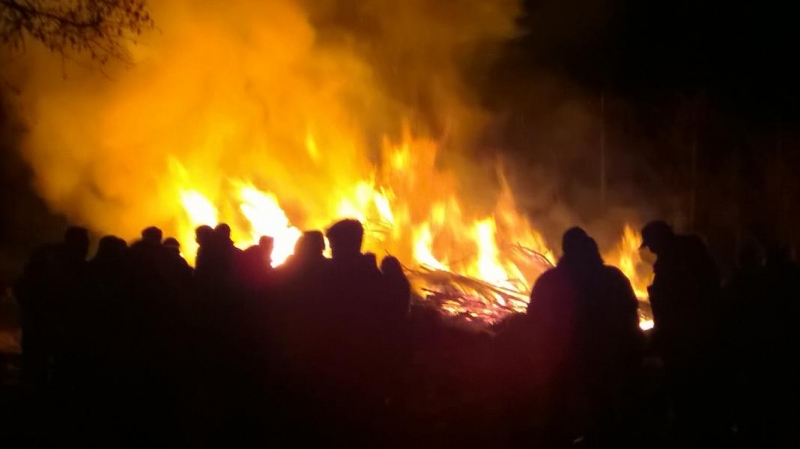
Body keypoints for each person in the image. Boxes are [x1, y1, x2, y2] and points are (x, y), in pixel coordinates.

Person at [525, 227, 641, 445]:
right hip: (602, 360)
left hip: (566, 361)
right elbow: (629, 316)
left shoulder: (550, 280)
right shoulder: (612, 278)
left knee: (559, 414)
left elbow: (535, 319)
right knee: (602, 413)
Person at [639, 220, 724, 444]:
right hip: (697, 336)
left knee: (689, 396)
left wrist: (659, 338)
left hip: (687, 341)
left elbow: (674, 305)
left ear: (659, 239)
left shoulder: (676, 262)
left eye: (650, 243)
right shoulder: (688, 253)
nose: (650, 249)